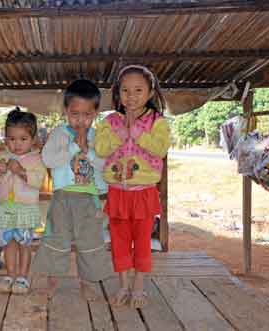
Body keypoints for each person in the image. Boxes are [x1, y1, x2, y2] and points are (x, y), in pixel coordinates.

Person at [95, 64, 171, 308]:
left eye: (138, 90)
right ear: (118, 94)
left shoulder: (157, 122)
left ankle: (138, 287)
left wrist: (136, 131)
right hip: (117, 193)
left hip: (144, 193)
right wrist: (121, 132)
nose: (131, 96)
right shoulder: (109, 122)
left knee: (142, 242)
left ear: (150, 93)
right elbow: (100, 149)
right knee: (118, 242)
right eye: (125, 90)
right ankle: (124, 286)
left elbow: (160, 149)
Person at [31, 79, 111, 301]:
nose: (81, 120)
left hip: (89, 198)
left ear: (95, 113)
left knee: (90, 241)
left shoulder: (98, 137)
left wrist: (90, 153)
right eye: (75, 114)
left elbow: (106, 165)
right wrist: (75, 146)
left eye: (87, 114)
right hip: (63, 197)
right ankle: (52, 283)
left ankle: (88, 283)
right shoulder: (59, 133)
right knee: (57, 240)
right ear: (66, 111)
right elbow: (48, 159)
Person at [0, 109, 47, 295]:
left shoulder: (37, 158)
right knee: (8, 244)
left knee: (24, 244)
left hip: (26, 209)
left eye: (23, 139)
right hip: (6, 209)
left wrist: (21, 171)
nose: (17, 144)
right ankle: (10, 275)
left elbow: (39, 180)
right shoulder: (0, 157)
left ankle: (22, 277)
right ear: (6, 139)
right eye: (12, 139)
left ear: (33, 139)